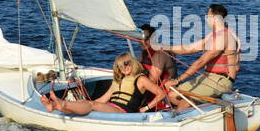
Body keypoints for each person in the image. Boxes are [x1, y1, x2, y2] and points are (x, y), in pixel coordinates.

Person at [40, 53, 169, 116]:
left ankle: (62, 104)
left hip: (123, 111)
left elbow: (161, 94)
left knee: (92, 105)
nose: (124, 68)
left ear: (132, 63)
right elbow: (103, 99)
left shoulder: (141, 79)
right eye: (120, 66)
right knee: (88, 103)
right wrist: (85, 104)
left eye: (126, 64)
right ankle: (55, 106)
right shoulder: (118, 80)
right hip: (111, 106)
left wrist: (145, 109)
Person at [159, 4, 241, 102]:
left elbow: (201, 61)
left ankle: (192, 110)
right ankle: (198, 109)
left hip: (221, 81)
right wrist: (163, 47)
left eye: (208, 16)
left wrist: (177, 80)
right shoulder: (213, 36)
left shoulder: (224, 37)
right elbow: (188, 48)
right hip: (208, 77)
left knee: (183, 98)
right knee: (172, 95)